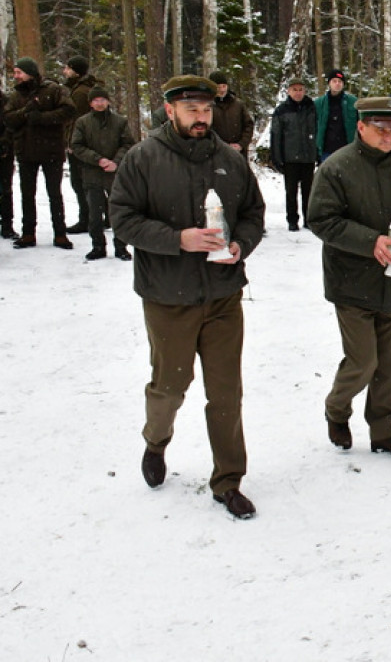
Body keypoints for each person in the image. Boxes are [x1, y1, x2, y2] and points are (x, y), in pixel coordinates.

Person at [109, 75, 266, 519]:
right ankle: (156, 441)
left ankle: (228, 480)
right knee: (170, 386)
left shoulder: (229, 160)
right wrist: (178, 238)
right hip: (168, 296)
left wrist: (241, 245)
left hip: (223, 295)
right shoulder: (144, 158)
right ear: (170, 110)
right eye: (191, 109)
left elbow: (253, 213)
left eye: (207, 110)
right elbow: (122, 218)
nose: (201, 118)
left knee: (226, 392)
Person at [308, 96, 391, 458]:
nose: (388, 135)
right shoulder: (336, 168)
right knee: (363, 361)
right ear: (361, 127)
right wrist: (370, 242)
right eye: (380, 129)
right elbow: (321, 219)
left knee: (388, 362)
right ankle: (337, 409)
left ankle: (383, 430)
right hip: (351, 282)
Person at [3, 57, 76, 250]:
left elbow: (68, 111)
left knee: (55, 194)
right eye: (15, 72)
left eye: (19, 72)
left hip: (51, 149)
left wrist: (42, 118)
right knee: (27, 195)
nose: (16, 76)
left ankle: (60, 234)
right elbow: (8, 119)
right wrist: (25, 112)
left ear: (30, 72)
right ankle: (28, 233)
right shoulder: (16, 95)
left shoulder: (53, 90)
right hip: (25, 150)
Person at [70, 86, 136, 260]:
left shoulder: (120, 121)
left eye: (102, 100)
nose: (99, 103)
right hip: (92, 173)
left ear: (108, 101)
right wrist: (98, 159)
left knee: (119, 212)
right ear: (90, 103)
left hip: (116, 174)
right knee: (94, 214)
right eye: (96, 100)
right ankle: (98, 246)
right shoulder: (82, 122)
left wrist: (116, 161)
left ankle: (121, 247)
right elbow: (77, 146)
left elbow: (128, 144)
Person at [270, 77, 318, 231]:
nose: (298, 93)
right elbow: (276, 135)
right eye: (294, 90)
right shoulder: (281, 110)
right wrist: (277, 157)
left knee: (308, 191)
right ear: (288, 91)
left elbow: (318, 131)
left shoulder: (312, 108)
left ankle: (308, 219)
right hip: (289, 158)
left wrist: (317, 152)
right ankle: (292, 220)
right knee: (291, 192)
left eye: (300, 89)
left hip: (308, 157)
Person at [63, 55, 100, 234]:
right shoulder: (85, 88)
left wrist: (71, 143)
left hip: (80, 145)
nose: (65, 71)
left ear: (76, 71)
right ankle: (97, 216)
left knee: (80, 183)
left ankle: (86, 218)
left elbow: (76, 121)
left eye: (68, 68)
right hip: (88, 143)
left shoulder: (79, 92)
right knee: (89, 182)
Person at [314, 68, 358, 163]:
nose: (337, 84)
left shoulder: (353, 102)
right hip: (326, 151)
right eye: (334, 81)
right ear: (329, 83)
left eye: (340, 81)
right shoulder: (319, 104)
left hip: (347, 151)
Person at [209, 70, 255, 156]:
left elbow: (248, 125)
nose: (222, 90)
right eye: (218, 87)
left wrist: (241, 144)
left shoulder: (238, 104)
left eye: (224, 86)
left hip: (238, 153)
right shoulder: (207, 106)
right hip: (216, 154)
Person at [0, 86, 17, 239]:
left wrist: (4, 143)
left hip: (4, 152)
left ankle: (7, 224)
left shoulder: (6, 102)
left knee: (5, 190)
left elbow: (11, 125)